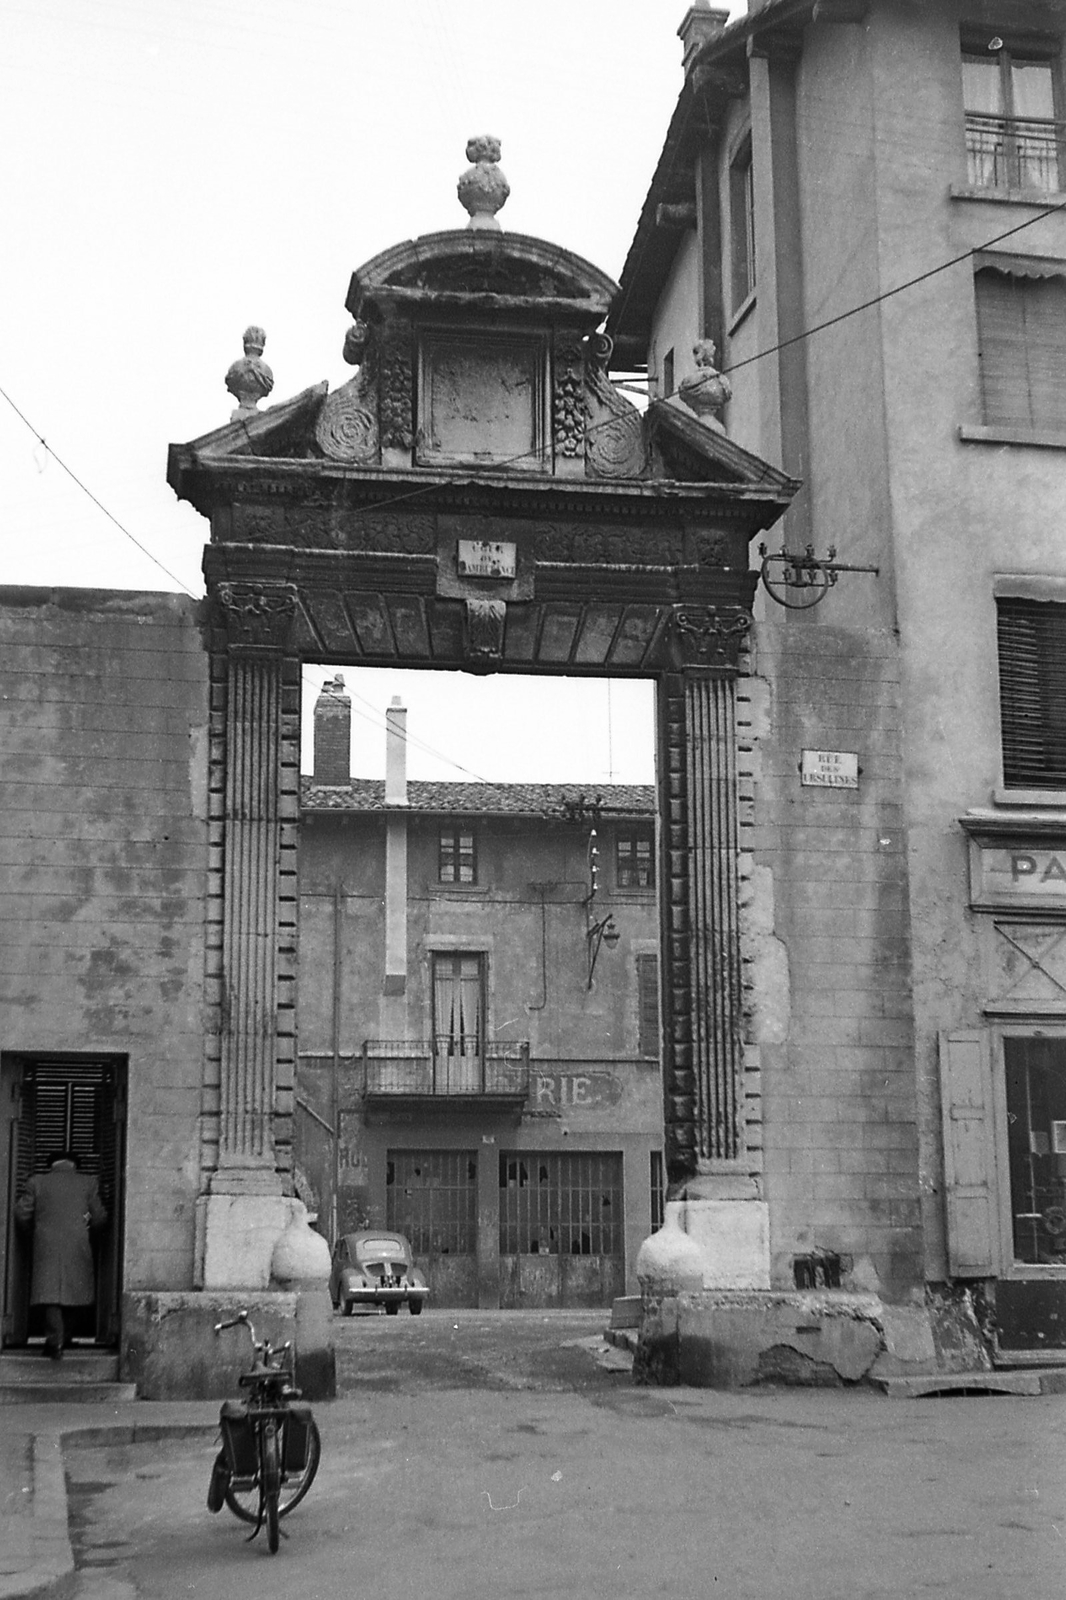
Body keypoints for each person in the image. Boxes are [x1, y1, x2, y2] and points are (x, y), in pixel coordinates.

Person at [15, 1151, 107, 1359]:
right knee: (74, 1291)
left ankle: (54, 1342)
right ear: (75, 1165)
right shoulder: (88, 1182)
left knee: (50, 1294)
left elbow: (22, 1213)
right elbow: (98, 1216)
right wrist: (84, 1221)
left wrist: (34, 1230)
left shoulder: (36, 1182)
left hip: (45, 1244)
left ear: (51, 1165)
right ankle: (65, 1336)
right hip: (77, 1243)